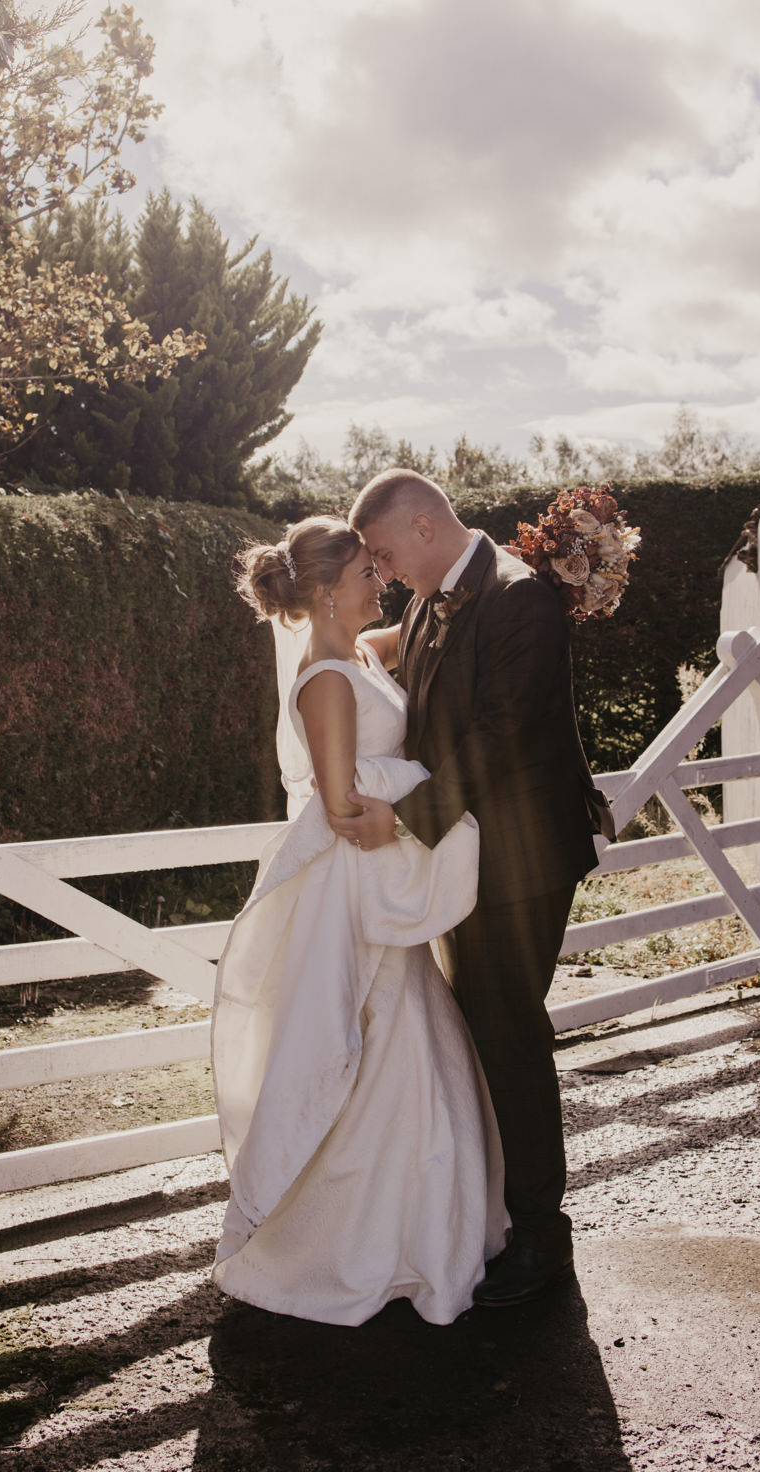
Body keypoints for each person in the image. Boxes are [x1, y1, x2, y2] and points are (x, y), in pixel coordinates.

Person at [210, 515, 507, 1326]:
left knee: (407, 1046)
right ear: (332, 590)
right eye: (367, 573)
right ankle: (352, 1248)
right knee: (364, 1045)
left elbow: (414, 647)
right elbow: (342, 800)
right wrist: (426, 781)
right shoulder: (328, 680)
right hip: (355, 887)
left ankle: (418, 1233)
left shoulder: (354, 656)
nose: (382, 580)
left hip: (376, 877)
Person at [333, 468, 610, 1307]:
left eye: (383, 552)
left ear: (423, 528)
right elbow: (419, 706)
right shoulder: (426, 603)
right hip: (464, 856)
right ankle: (494, 1218)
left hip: (524, 859)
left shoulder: (523, 598)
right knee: (481, 1029)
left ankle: (542, 1241)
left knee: (510, 1031)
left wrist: (402, 815)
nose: (382, 572)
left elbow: (501, 735)